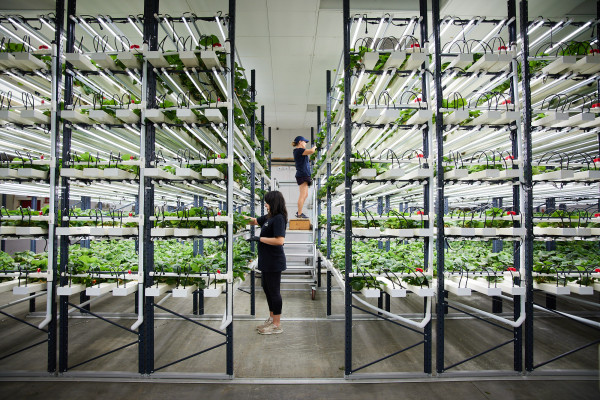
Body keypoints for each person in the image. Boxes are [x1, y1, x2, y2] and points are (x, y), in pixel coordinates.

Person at [245, 190, 288, 335]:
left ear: (273, 202)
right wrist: (237, 218)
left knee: (274, 292)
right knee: (266, 288)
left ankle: (277, 325)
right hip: (266, 260)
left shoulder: (279, 218)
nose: (266, 204)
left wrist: (259, 239)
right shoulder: (269, 217)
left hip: (274, 261)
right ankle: (271, 318)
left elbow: (280, 240)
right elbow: (254, 220)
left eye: (267, 202)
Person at [292, 135, 316, 219]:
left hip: (304, 174)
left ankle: (299, 212)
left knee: (305, 195)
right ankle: (299, 213)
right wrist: (316, 146)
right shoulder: (298, 150)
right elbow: (312, 151)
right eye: (304, 142)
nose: (305, 143)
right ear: (300, 142)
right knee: (302, 195)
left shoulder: (300, 151)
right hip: (302, 174)